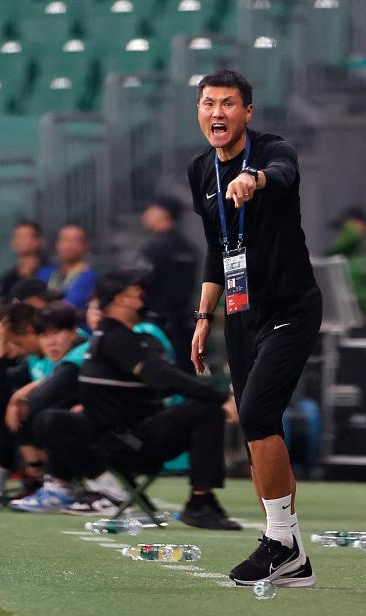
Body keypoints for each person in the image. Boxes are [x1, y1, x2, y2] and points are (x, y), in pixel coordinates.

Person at [188, 70, 321, 587]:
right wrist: (204, 316)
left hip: (290, 306)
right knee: (258, 432)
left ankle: (280, 542)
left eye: (228, 104)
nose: (217, 113)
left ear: (247, 111)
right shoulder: (200, 169)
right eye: (208, 104)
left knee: (258, 414)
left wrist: (254, 179)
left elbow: (283, 173)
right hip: (240, 313)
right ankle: (292, 553)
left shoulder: (273, 151)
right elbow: (215, 247)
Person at [23, 270, 240, 528]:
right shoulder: (116, 338)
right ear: (120, 299)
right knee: (207, 410)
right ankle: (200, 503)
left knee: (201, 408)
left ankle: (195, 501)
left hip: (126, 438)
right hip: (130, 445)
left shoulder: (111, 336)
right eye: (137, 291)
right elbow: (161, 375)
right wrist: (221, 398)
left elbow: (160, 380)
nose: (143, 296)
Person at [140, 194, 200, 366]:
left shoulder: (153, 249)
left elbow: (143, 284)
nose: (144, 215)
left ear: (162, 213)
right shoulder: (188, 248)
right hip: (184, 324)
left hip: (156, 326)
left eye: (149, 210)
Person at [0, 220, 53, 302]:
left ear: (38, 241)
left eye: (25, 237)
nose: (20, 240)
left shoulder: (51, 273)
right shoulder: (6, 279)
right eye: (17, 236)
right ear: (12, 242)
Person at [47, 224, 98, 311]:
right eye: (64, 240)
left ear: (85, 246)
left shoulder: (89, 277)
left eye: (74, 240)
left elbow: (70, 306)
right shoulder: (47, 272)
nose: (68, 246)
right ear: (57, 245)